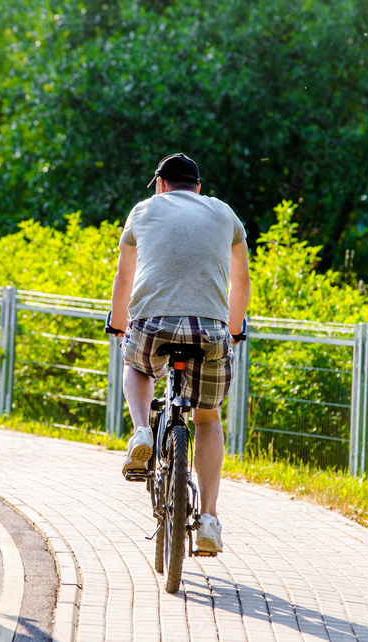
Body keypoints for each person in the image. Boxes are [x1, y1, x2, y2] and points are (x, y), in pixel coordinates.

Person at [109, 152, 250, 553]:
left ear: (161, 185)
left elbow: (124, 276)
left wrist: (120, 325)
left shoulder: (143, 210)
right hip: (210, 330)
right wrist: (235, 330)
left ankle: (141, 430)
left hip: (152, 325)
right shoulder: (225, 214)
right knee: (207, 418)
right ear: (199, 189)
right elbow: (241, 280)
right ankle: (208, 519)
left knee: (136, 366)